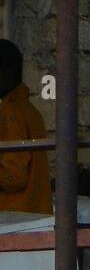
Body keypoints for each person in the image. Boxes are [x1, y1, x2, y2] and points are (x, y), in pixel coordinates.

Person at [0, 39, 52, 214]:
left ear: (6, 73)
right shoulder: (27, 109)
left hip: (16, 219)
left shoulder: (12, 113)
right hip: (34, 215)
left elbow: (13, 178)